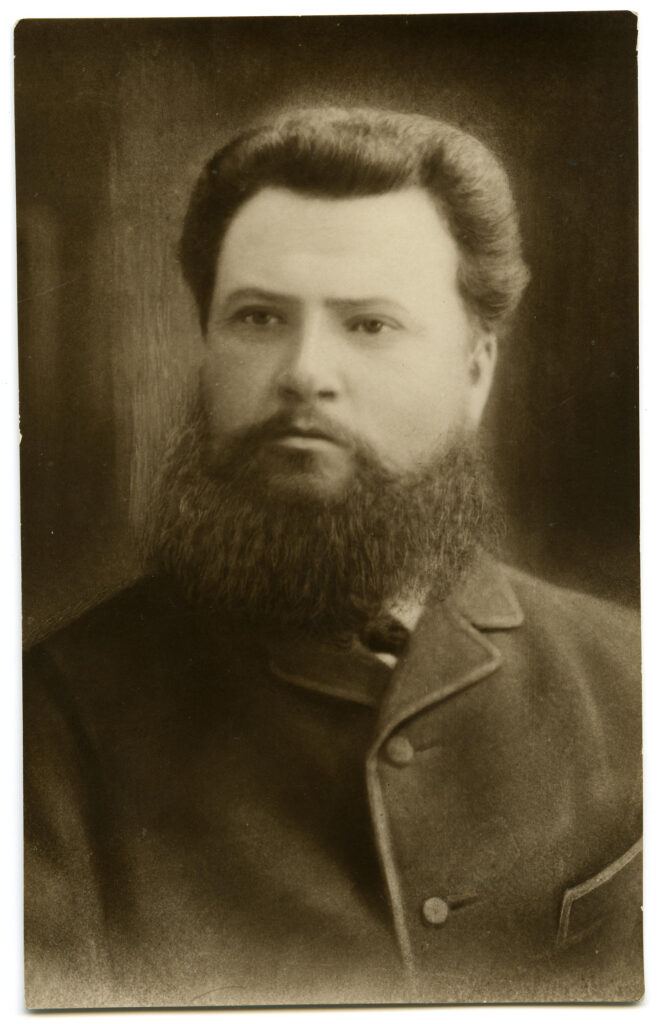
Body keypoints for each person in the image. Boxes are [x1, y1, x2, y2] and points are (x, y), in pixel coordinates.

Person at [23, 107, 642, 1009]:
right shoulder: (49, 722)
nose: (304, 372)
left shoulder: (632, 679)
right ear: (206, 346)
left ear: (476, 372)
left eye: (369, 325)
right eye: (259, 317)